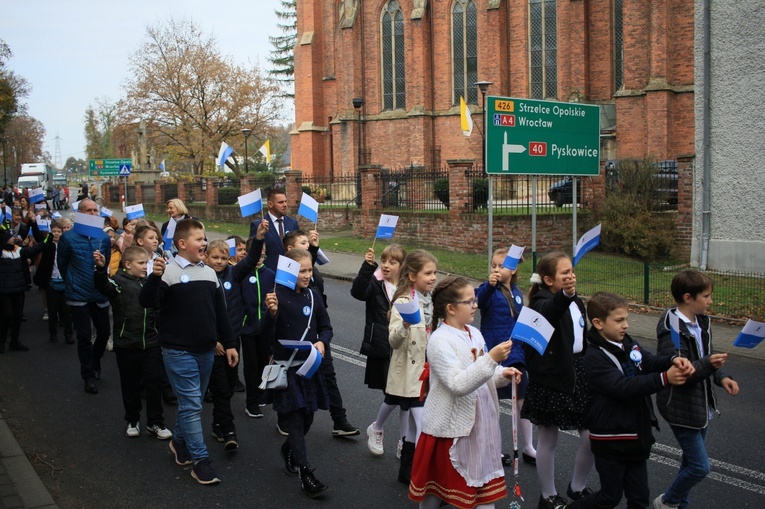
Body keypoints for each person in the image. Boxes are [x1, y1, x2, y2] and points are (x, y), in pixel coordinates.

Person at [566, 292, 694, 509]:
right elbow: (622, 387)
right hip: (610, 438)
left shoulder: (626, 342)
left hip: (636, 433)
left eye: (626, 319)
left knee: (639, 497)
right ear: (598, 323)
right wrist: (665, 378)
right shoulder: (593, 357)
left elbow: (648, 361)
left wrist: (672, 360)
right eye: (618, 320)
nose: (625, 325)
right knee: (610, 497)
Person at [139, 218, 238, 485]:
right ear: (182, 244)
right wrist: (154, 278)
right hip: (178, 351)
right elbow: (147, 302)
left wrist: (228, 343)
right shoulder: (167, 272)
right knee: (193, 404)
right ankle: (200, 461)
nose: (204, 242)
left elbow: (221, 314)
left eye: (204, 238)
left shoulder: (209, 273)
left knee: (189, 404)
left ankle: (178, 443)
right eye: (199, 239)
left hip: (207, 351)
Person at [409, 275, 522, 509]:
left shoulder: (474, 333)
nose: (475, 305)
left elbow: (482, 375)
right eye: (469, 301)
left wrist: (502, 373)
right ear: (450, 308)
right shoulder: (439, 341)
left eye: (474, 300)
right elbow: (458, 384)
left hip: (480, 425)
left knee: (482, 495)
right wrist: (491, 360)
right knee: (434, 494)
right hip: (451, 430)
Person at [652, 270, 739, 509]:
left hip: (700, 405)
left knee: (689, 462)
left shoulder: (702, 321)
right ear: (689, 297)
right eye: (707, 296)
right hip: (681, 407)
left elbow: (705, 357)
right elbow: (684, 374)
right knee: (700, 466)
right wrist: (709, 365)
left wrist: (721, 378)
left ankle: (681, 504)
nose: (711, 301)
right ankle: (667, 501)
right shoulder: (672, 330)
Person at [523, 252, 594, 509]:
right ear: (548, 280)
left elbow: (583, 335)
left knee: (591, 435)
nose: (571, 276)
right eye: (564, 273)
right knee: (549, 440)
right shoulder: (541, 302)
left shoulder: (576, 300)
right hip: (552, 375)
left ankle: (577, 486)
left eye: (572, 271)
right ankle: (548, 495)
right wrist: (565, 296)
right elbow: (551, 312)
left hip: (578, 371)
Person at [263, 248, 332, 498]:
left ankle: (288, 448)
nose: (306, 274)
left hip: (310, 369)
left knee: (308, 419)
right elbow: (264, 333)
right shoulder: (275, 296)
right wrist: (271, 314)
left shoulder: (313, 296)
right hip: (287, 369)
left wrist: (323, 342)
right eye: (301, 270)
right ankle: (306, 474)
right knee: (294, 420)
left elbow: (325, 327)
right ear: (289, 271)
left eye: (309, 269)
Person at [94, 246, 172, 440]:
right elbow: (104, 287)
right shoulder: (118, 281)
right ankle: (132, 419)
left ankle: (155, 422)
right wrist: (101, 270)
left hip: (151, 341)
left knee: (154, 383)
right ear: (128, 264)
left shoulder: (150, 282)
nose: (145, 267)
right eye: (141, 263)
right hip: (127, 342)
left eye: (147, 263)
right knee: (130, 384)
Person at [202, 228, 266, 451]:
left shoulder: (233, 274)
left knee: (228, 384)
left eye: (222, 258)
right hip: (211, 343)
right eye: (214, 258)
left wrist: (258, 239)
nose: (219, 262)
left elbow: (250, 260)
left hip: (231, 341)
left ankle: (217, 424)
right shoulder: (201, 277)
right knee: (220, 387)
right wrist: (212, 341)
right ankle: (228, 429)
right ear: (205, 257)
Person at [476, 247, 537, 466]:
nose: (496, 269)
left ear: (513, 270)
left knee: (522, 400)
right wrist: (489, 286)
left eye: (501, 266)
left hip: (516, 354)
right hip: (495, 352)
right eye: (493, 265)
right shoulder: (488, 290)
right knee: (493, 402)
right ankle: (494, 448)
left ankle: (529, 446)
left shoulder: (517, 292)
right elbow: (478, 301)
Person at [350, 244, 410, 457]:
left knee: (406, 397)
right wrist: (367, 267)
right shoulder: (375, 284)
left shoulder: (407, 287)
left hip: (405, 347)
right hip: (383, 345)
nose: (386, 265)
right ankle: (378, 428)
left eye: (392, 262)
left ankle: (405, 442)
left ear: (402, 266)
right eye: (384, 261)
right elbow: (357, 292)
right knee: (395, 394)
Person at [388, 249, 438, 484]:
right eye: (427, 273)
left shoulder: (432, 301)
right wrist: (405, 326)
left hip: (428, 371)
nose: (432, 277)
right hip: (411, 373)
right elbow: (393, 341)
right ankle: (424, 474)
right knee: (423, 424)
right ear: (412, 276)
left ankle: (406, 472)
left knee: (414, 426)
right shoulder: (403, 302)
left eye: (434, 273)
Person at [57, 198, 112, 394]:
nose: (93, 214)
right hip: (78, 293)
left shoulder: (103, 238)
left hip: (99, 293)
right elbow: (62, 265)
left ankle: (95, 359)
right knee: (84, 337)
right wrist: (71, 282)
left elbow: (106, 266)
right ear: (79, 214)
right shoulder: (68, 238)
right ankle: (88, 375)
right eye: (88, 211)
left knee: (104, 333)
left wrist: (101, 264)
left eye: (95, 210)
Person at [240, 236, 275, 418]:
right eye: (257, 256)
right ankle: (251, 402)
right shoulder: (241, 274)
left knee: (264, 363)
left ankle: (261, 394)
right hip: (247, 328)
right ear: (248, 254)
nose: (260, 260)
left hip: (265, 328)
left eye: (263, 256)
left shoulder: (269, 274)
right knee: (251, 365)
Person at [0, 216, 44, 353]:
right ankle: (1, 342)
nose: (13, 238)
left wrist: (44, 239)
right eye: (9, 236)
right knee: (7, 316)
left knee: (18, 316)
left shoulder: (18, 250)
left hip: (19, 289)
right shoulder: (1, 253)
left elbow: (34, 249)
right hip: (4, 290)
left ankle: (14, 341)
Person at [33, 218, 74, 344]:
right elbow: (37, 239)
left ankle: (68, 334)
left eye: (58, 231)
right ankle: (53, 334)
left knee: (66, 311)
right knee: (52, 311)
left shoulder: (67, 246)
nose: (56, 234)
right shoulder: (47, 246)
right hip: (52, 281)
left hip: (64, 281)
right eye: (54, 231)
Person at [249, 189, 299, 272]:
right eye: (280, 202)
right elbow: (253, 251)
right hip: (268, 273)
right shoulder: (259, 225)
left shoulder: (293, 223)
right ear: (270, 204)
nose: (285, 205)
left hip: (289, 272)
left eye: (285, 201)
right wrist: (259, 236)